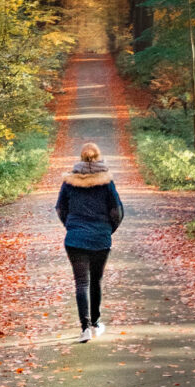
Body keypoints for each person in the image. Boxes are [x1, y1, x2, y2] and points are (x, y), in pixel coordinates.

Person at [55, 142, 124, 343]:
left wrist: (71, 227)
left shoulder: (69, 182)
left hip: (75, 239)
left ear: (80, 158)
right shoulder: (107, 183)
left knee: (81, 283)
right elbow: (117, 211)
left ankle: (84, 328)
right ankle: (95, 322)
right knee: (95, 280)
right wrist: (108, 230)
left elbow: (60, 209)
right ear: (99, 157)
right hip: (100, 238)